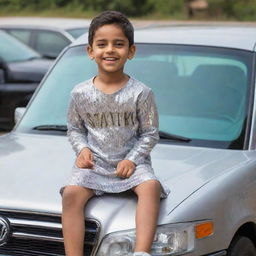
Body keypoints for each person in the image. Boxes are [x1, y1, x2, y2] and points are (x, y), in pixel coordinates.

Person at [61, 10, 169, 256]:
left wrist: (131, 159)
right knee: (70, 193)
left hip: (132, 164)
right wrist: (83, 150)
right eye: (102, 44)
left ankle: (141, 251)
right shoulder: (79, 93)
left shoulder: (141, 93)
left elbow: (150, 133)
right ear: (91, 51)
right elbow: (75, 129)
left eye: (118, 44)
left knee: (151, 187)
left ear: (131, 51)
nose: (110, 50)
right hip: (94, 164)